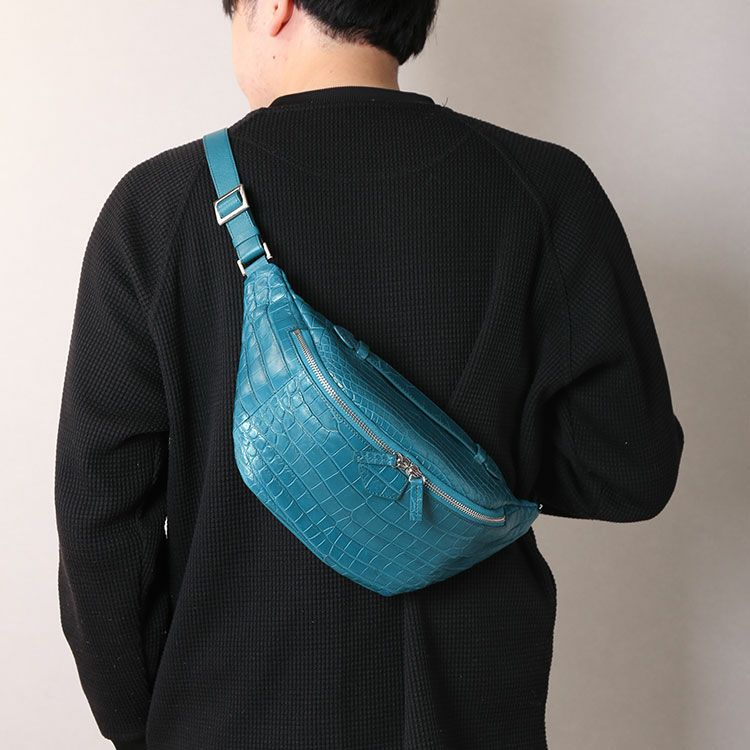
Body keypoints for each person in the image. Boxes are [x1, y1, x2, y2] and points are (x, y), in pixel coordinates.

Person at [54, 1, 685, 748]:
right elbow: (629, 472)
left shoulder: (158, 209)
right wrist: (465, 464)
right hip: (472, 716)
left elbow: (101, 523)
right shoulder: (545, 190)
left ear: (273, 7)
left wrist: (147, 723)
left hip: (233, 718)